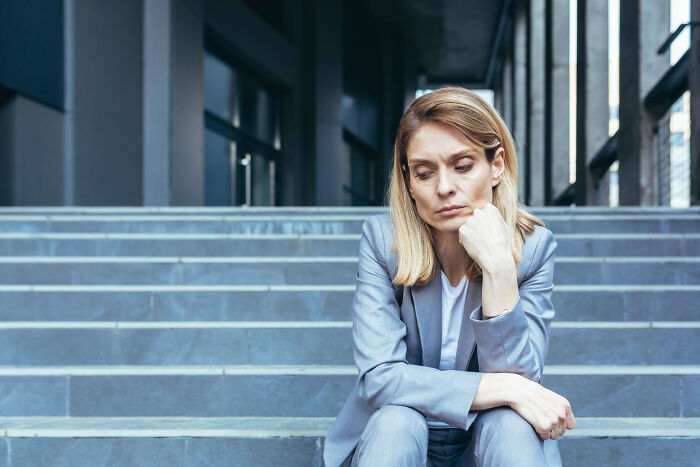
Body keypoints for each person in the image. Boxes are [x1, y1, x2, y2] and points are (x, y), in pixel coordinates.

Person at [323, 86, 575, 467]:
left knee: (508, 423)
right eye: (424, 173)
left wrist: (499, 268)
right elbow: (379, 379)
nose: (444, 187)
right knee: (397, 421)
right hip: (396, 442)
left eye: (462, 166)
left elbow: (521, 382)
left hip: (485, 443)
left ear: (497, 165)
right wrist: (501, 386)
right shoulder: (382, 242)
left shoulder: (534, 249)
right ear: (408, 181)